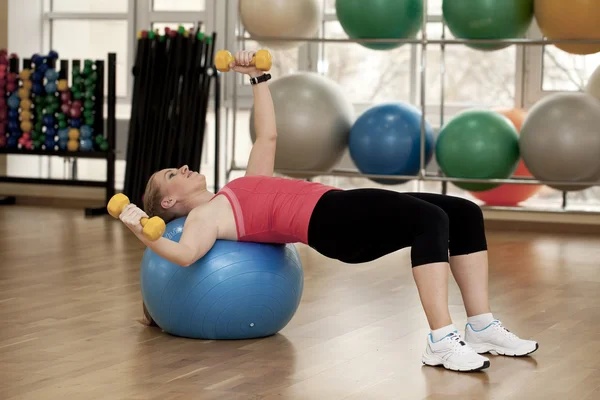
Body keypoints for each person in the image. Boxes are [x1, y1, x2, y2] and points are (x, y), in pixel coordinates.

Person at [120, 50, 538, 373]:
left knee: (464, 212)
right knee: (432, 221)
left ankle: (480, 327)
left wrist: (257, 79)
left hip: (337, 207)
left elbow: (268, 135)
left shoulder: (237, 188)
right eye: (173, 173)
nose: (186, 167)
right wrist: (139, 225)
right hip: (330, 222)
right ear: (169, 202)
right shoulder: (204, 217)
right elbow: (185, 254)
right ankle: (441, 340)